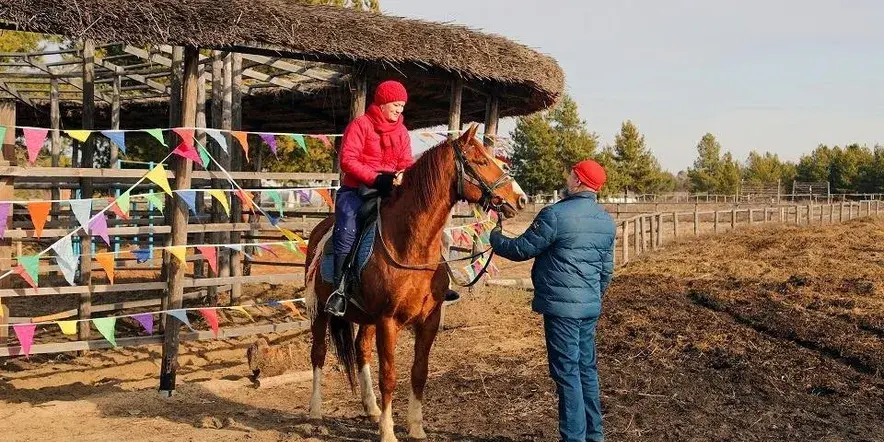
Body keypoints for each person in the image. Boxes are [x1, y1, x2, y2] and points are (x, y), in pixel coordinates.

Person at [489, 159, 615, 442]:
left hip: (561, 308)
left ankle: (573, 438)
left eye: (571, 175)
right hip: (588, 306)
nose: (567, 179)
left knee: (567, 373)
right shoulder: (606, 220)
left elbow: (520, 249)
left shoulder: (555, 215)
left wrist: (494, 237)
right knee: (586, 371)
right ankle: (595, 435)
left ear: (579, 181)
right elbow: (607, 270)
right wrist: (593, 297)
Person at [324, 80, 414, 317]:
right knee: (346, 231)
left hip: (389, 192)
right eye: (396, 104)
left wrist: (404, 173)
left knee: (418, 225)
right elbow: (348, 160)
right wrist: (376, 178)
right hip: (356, 191)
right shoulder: (360, 125)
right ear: (383, 103)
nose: (399, 110)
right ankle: (340, 290)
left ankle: (432, 282)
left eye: (402, 106)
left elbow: (406, 161)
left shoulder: (402, 132)